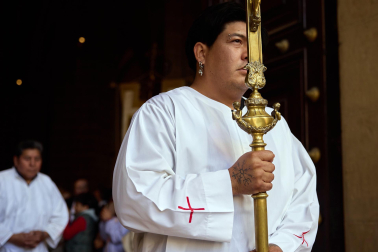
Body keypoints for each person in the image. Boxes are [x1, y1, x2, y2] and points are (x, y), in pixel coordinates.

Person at [113, 2, 319, 252]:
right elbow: (135, 198)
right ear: (201, 52)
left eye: (254, 46)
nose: (249, 55)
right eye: (236, 41)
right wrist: (230, 182)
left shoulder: (273, 122)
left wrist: (278, 247)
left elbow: (303, 201)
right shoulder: (164, 112)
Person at [0, 140, 69, 252]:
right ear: (16, 160)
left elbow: (61, 215)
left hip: (38, 248)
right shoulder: (2, 180)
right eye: (27, 159)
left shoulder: (47, 182)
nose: (32, 164)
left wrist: (44, 234)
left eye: (37, 159)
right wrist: (10, 237)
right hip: (7, 247)